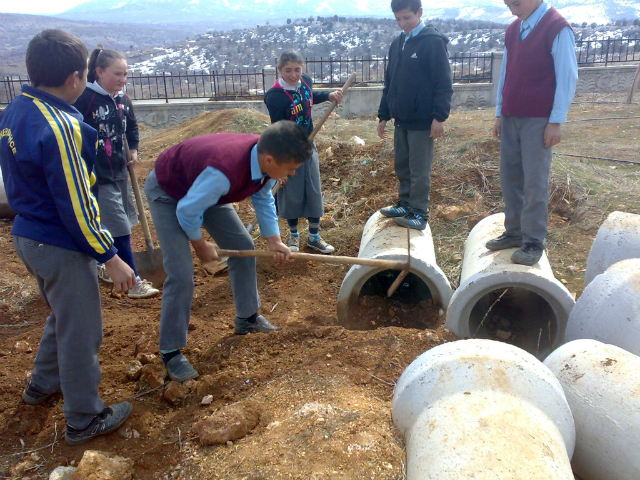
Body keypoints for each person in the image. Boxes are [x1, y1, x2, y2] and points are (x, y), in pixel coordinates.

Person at [0, 29, 135, 445]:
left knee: (63, 315)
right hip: (58, 242)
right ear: (77, 77)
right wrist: (109, 255)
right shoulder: (60, 126)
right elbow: (77, 204)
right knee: (82, 331)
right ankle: (83, 417)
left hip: (28, 235)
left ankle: (42, 384)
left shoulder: (16, 109)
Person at [144, 121, 312, 382]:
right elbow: (187, 211)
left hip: (205, 191)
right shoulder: (225, 171)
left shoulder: (266, 157)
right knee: (181, 273)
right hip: (170, 193)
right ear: (269, 160)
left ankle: (247, 317)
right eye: (290, 169)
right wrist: (199, 244)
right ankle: (171, 351)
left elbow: (264, 197)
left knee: (243, 246)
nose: (289, 175)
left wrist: (274, 240)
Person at [486, 0, 578, 265]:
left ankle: (534, 241)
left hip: (539, 118)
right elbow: (506, 73)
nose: (512, 10)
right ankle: (514, 232)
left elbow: (567, 76)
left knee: (534, 180)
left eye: (516, 2)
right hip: (512, 115)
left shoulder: (557, 27)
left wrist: (556, 121)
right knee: (509, 176)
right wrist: (500, 112)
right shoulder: (514, 29)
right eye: (507, 4)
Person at [73, 47, 160, 298]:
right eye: (117, 74)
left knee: (123, 220)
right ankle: (134, 282)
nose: (122, 80)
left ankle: (102, 264)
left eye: (125, 74)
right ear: (98, 72)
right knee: (119, 225)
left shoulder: (122, 100)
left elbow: (131, 126)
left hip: (120, 171)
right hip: (96, 174)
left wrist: (133, 150)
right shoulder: (85, 99)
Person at [377, 0, 453, 230]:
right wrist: (384, 114)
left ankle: (419, 212)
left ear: (420, 12)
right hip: (401, 119)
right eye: (398, 19)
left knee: (419, 169)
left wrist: (439, 117)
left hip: (422, 121)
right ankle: (405, 203)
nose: (403, 24)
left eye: (407, 18)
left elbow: (443, 82)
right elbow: (390, 82)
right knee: (402, 164)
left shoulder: (432, 42)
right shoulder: (398, 43)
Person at [263, 51, 343, 254]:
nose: (293, 75)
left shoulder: (305, 81)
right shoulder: (275, 97)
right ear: (279, 70)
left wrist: (328, 95)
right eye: (288, 70)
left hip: (309, 146)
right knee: (292, 193)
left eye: (297, 69)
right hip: (289, 151)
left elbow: (310, 97)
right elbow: (277, 128)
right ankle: (293, 237)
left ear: (303, 68)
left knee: (313, 189)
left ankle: (314, 237)